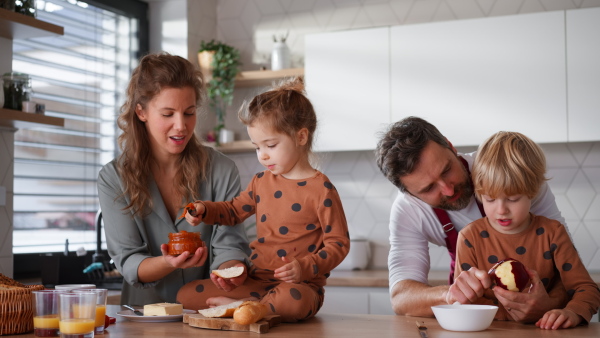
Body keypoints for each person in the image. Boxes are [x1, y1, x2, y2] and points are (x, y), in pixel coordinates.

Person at [176, 77, 350, 322]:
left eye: (270, 145)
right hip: (256, 281)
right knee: (186, 295)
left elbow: (339, 244)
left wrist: (305, 266)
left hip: (299, 286)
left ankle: (249, 308)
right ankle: (250, 307)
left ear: (301, 137)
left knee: (292, 300)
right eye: (257, 147)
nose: (263, 155)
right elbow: (233, 211)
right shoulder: (261, 181)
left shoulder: (322, 189)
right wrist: (205, 209)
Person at [375, 116, 569, 321]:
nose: (448, 190)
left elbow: (566, 261)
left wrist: (549, 305)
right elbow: (401, 297)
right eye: (429, 188)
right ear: (410, 194)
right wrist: (449, 294)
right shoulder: (408, 210)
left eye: (447, 169)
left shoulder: (509, 173)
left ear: (450, 146)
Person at [97, 52, 251, 306]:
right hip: (143, 321)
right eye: (168, 114)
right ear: (141, 112)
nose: (181, 126)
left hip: (206, 314)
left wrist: (232, 271)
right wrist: (168, 262)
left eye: (189, 112)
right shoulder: (114, 178)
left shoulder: (221, 170)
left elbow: (230, 246)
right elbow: (129, 262)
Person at [455, 131, 600, 329]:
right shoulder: (469, 237)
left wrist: (571, 313)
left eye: (513, 199)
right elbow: (462, 299)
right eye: (490, 199)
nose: (501, 210)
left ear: (533, 192)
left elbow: (586, 288)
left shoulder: (552, 233)